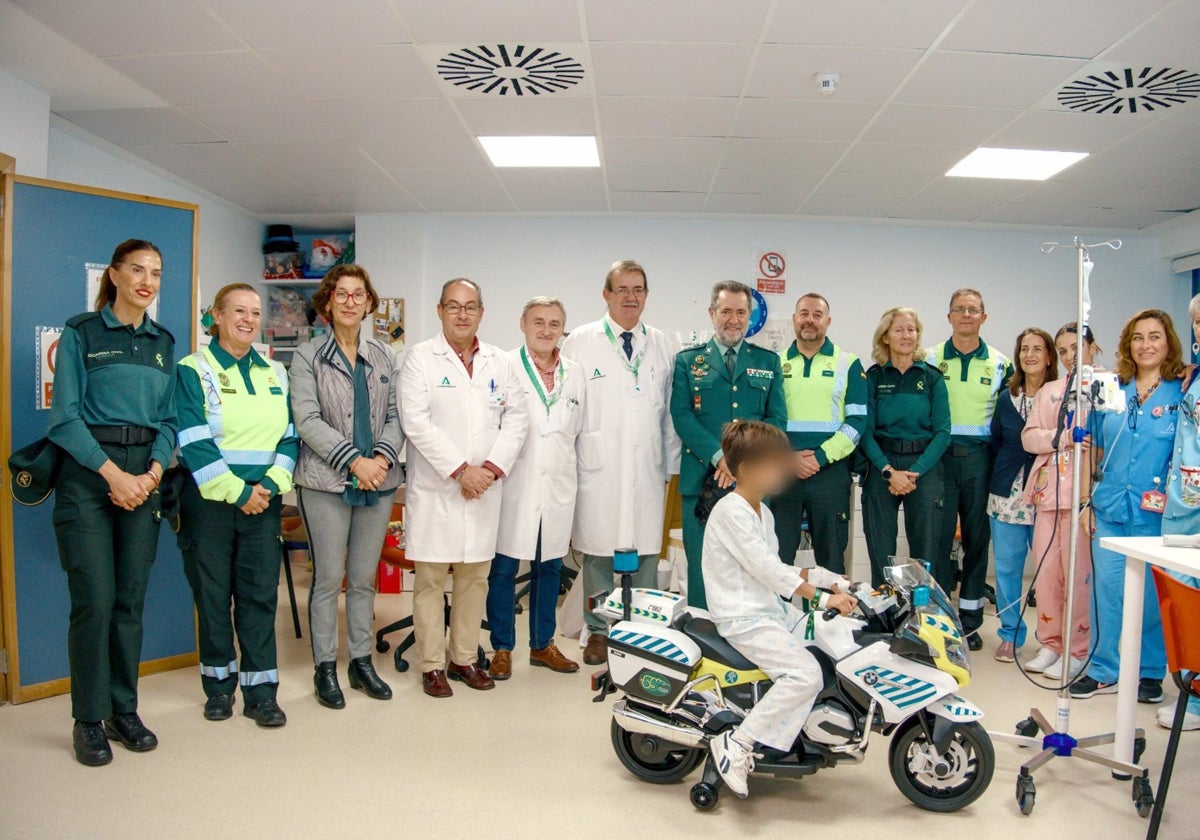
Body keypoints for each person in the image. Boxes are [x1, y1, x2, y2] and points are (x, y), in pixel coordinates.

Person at [47, 239, 176, 766]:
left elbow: (170, 422)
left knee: (129, 603)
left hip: (144, 479)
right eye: (138, 270)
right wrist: (112, 475)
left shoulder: (164, 342)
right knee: (95, 602)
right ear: (115, 276)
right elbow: (64, 419)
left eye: (156, 273)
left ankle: (124, 709)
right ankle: (87, 718)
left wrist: (148, 473)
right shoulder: (83, 332)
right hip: (90, 479)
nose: (147, 280)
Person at [702, 420, 857, 798]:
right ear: (745, 471)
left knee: (827, 649)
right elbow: (767, 569)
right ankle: (738, 744)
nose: (781, 471)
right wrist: (821, 598)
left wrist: (829, 578)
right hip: (744, 618)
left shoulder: (761, 511)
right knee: (805, 675)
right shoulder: (731, 511)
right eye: (773, 464)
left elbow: (779, 565)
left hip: (768, 610)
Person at [399, 278, 530, 698]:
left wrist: (488, 470)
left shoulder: (500, 362)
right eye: (453, 306)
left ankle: (464, 658)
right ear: (440, 310)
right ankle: (432, 665)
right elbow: (415, 421)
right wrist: (461, 471)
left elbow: (517, 420)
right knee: (431, 581)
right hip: (440, 486)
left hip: (484, 489)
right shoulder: (420, 358)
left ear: (481, 312)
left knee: (476, 579)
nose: (462, 314)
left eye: (470, 306)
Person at [176, 283, 298, 727]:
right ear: (217, 316)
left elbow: (290, 437)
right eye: (239, 311)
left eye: (255, 311)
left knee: (259, 597)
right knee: (212, 597)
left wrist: (268, 484)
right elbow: (193, 440)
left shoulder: (275, 371)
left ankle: (262, 692)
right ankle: (219, 688)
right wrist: (239, 492)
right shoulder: (193, 369)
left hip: (264, 501)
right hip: (210, 503)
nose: (248, 318)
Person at [290, 265, 404, 709]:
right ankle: (324, 666)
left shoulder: (384, 356)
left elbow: (397, 417)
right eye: (342, 294)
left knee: (362, 579)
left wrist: (378, 461)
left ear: (370, 303)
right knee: (328, 579)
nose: (351, 302)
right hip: (325, 482)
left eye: (360, 294)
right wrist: (353, 461)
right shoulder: (308, 356)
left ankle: (360, 661)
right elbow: (307, 419)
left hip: (378, 481)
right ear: (328, 303)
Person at [562, 260, 680, 666]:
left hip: (648, 464)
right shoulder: (580, 341)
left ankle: (643, 631)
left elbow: (670, 412)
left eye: (639, 289)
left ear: (646, 295)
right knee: (598, 552)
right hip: (599, 465)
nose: (631, 297)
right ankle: (598, 631)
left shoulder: (663, 343)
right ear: (606, 295)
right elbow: (567, 405)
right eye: (622, 289)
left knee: (647, 552)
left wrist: (672, 464)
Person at [1071, 309, 1184, 705]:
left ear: (1168, 341)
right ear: (1127, 345)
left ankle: (1150, 672)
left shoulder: (1182, 391)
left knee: (1154, 595)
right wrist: (1086, 503)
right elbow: (1095, 449)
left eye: (1154, 336)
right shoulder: (1113, 390)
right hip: (1110, 506)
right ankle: (1103, 668)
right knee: (1107, 590)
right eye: (1138, 337)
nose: (1146, 345)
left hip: (1158, 513)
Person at [487, 297, 586, 680]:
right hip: (515, 482)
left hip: (559, 483)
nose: (547, 330)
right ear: (523, 324)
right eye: (539, 322)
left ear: (563, 328)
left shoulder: (575, 372)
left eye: (555, 323)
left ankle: (542, 644)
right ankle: (501, 647)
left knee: (549, 568)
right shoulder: (504, 366)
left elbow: (578, 432)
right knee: (504, 568)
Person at [670, 280, 786, 607]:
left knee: (750, 565)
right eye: (725, 311)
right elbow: (681, 416)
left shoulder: (768, 362)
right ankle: (703, 636)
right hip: (701, 482)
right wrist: (720, 456)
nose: (733, 319)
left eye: (740, 312)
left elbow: (776, 420)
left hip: (750, 484)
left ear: (750, 316)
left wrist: (743, 463)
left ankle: (744, 635)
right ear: (711, 313)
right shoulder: (687, 362)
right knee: (703, 565)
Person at [925, 289, 1013, 649]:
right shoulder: (928, 358)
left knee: (977, 541)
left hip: (980, 460)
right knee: (939, 541)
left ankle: (972, 621)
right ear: (948, 317)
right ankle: (942, 620)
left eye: (972, 310)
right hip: (939, 460)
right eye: (959, 309)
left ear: (983, 317)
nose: (965, 315)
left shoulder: (1000, 363)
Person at [1021, 323, 1101, 680]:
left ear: (1093, 348)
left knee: (1079, 577)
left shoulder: (1105, 389)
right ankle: (1050, 644)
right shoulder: (1051, 391)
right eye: (1064, 350)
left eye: (1077, 348)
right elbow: (1030, 438)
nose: (1071, 356)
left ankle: (1078, 648)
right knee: (1048, 576)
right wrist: (1064, 436)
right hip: (1049, 496)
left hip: (1083, 499)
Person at [770, 293, 866, 574]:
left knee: (831, 554)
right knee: (777, 554)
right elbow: (765, 420)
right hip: (781, 470)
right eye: (804, 313)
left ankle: (830, 618)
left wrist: (821, 457)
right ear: (794, 319)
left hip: (830, 472)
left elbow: (858, 421)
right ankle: (779, 617)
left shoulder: (849, 363)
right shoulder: (774, 362)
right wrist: (787, 458)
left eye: (817, 314)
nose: (809, 320)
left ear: (828, 321)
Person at [861, 307, 951, 587]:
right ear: (885, 336)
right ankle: (883, 615)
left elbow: (943, 432)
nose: (906, 335)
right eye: (898, 329)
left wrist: (914, 473)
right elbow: (865, 431)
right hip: (882, 464)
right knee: (881, 548)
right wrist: (889, 472)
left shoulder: (933, 377)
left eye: (911, 329)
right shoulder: (874, 377)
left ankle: (920, 614)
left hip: (923, 467)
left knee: (925, 550)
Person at [988, 328, 1057, 663]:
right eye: (1024, 349)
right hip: (1008, 494)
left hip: (1047, 493)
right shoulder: (1006, 398)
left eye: (1037, 349)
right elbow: (997, 441)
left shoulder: (1060, 394)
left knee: (1048, 571)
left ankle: (1051, 640)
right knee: (1007, 568)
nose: (1030, 355)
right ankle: (1009, 633)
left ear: (1048, 356)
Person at [1159, 294, 1200, 730]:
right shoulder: (1192, 379)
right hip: (1184, 503)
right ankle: (1192, 692)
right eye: (1198, 322)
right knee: (1187, 602)